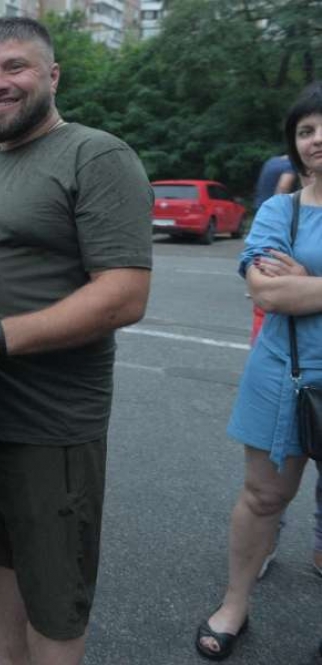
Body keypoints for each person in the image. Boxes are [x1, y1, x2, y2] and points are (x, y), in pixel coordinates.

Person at [0, 17, 152, 665]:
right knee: (3, 561)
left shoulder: (95, 155)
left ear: (53, 75)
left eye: (14, 68)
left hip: (53, 429)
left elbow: (124, 293)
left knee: (57, 597)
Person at [196, 82, 322, 662]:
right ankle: (234, 604)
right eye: (305, 130)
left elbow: (291, 290)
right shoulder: (281, 209)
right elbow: (267, 292)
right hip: (283, 373)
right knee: (262, 497)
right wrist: (290, 286)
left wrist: (309, 285)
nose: (316, 139)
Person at [251, 155, 298, 341]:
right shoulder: (291, 164)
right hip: (273, 212)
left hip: (260, 208)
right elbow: (284, 186)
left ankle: (259, 281)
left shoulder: (271, 161)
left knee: (261, 252)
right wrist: (281, 212)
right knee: (277, 254)